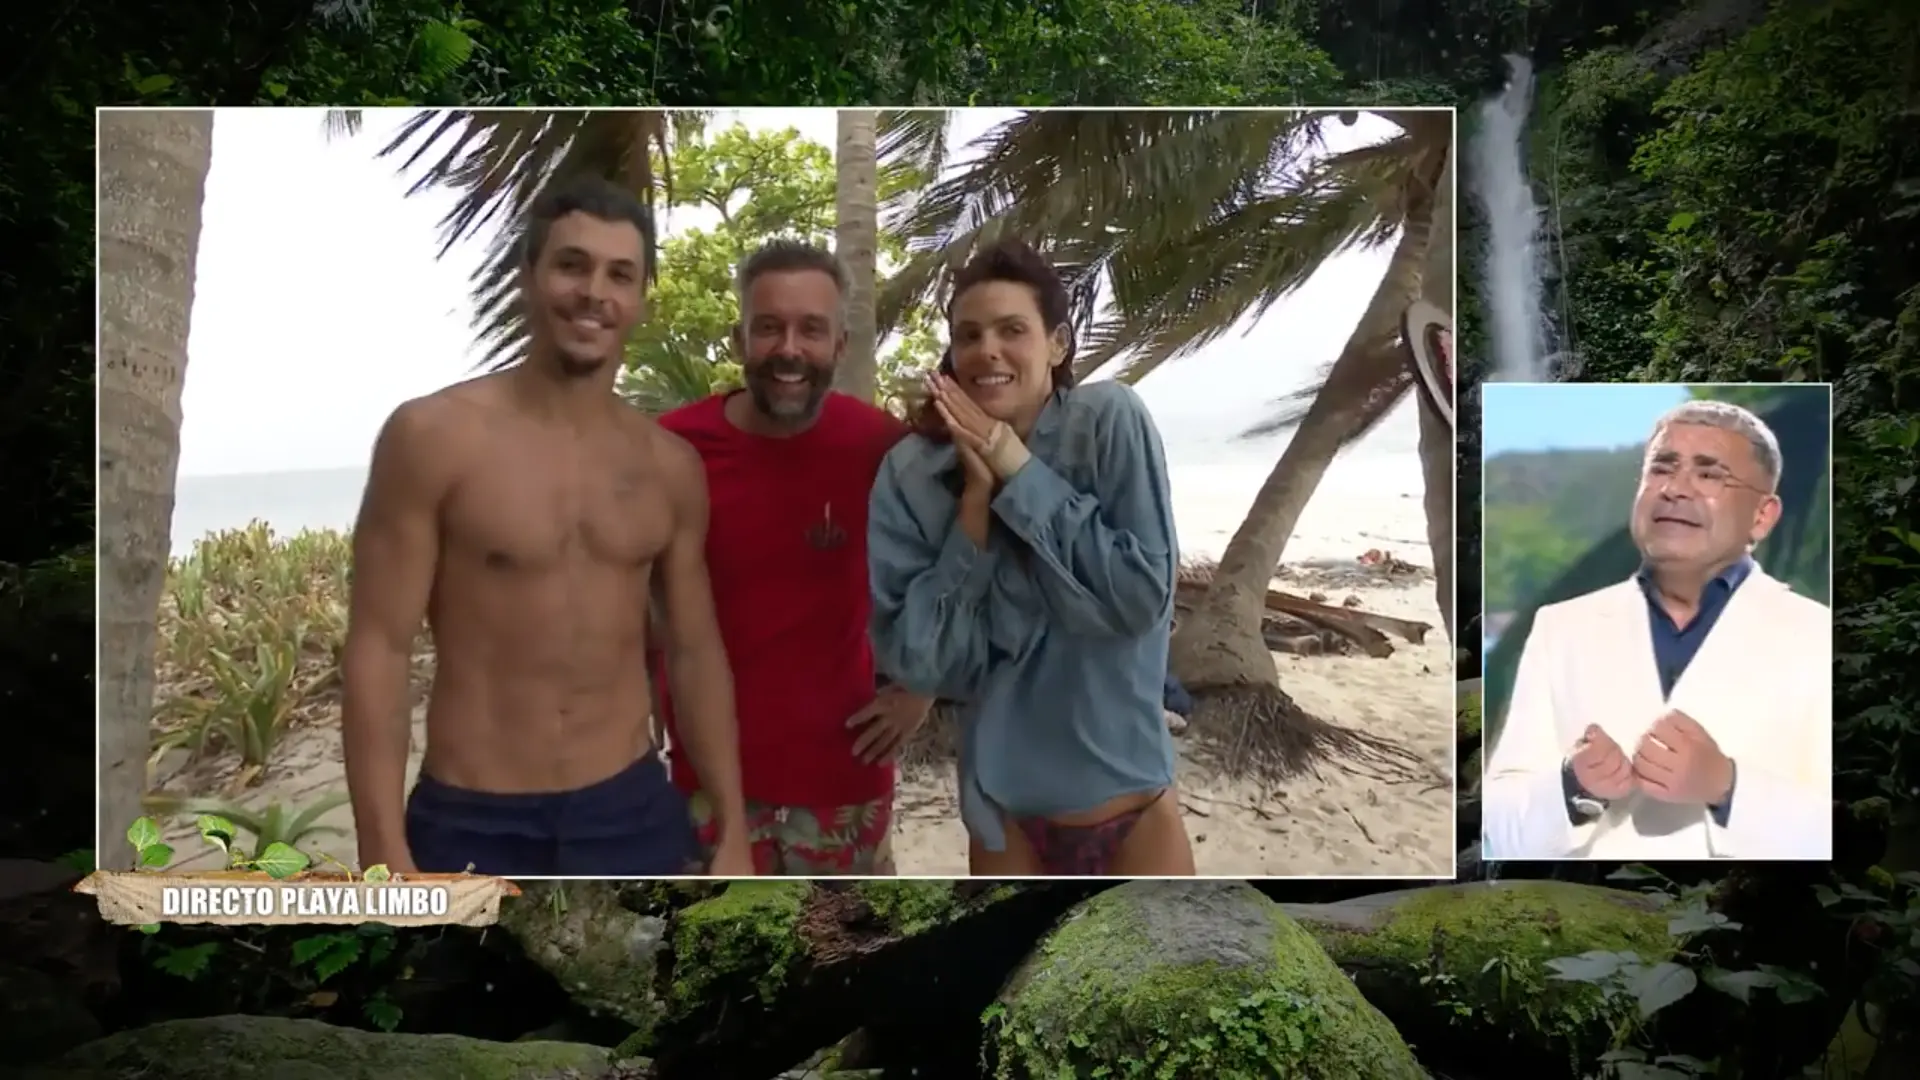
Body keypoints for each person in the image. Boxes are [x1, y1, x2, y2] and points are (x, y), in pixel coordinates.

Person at [340, 176, 752, 878]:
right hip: (472, 814)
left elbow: (693, 650)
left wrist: (733, 828)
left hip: (629, 807)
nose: (595, 292)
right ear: (528, 277)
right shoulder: (434, 437)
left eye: (620, 275)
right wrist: (382, 852)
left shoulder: (669, 468)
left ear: (641, 298)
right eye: (572, 265)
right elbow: (380, 647)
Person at [868, 239, 1196, 877]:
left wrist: (1014, 469)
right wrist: (974, 514)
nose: (986, 349)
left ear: (1058, 344)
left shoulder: (1108, 421)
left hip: (1135, 805)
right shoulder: (913, 473)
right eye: (969, 335)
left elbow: (1140, 598)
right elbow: (920, 661)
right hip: (1003, 814)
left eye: (1011, 329)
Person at [648, 240, 932, 875]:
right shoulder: (673, 448)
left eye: (811, 329)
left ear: (841, 345)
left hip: (844, 782)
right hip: (704, 789)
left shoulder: (883, 449)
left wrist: (925, 686)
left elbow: (964, 555)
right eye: (768, 327)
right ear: (737, 339)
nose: (789, 350)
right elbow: (634, 604)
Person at [1481, 398, 1832, 860]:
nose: (1675, 489)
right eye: (1662, 469)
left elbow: (1847, 828)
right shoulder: (1561, 627)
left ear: (1762, 516)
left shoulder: (1817, 634)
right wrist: (1571, 788)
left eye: (1709, 474)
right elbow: (1499, 827)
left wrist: (1728, 786)